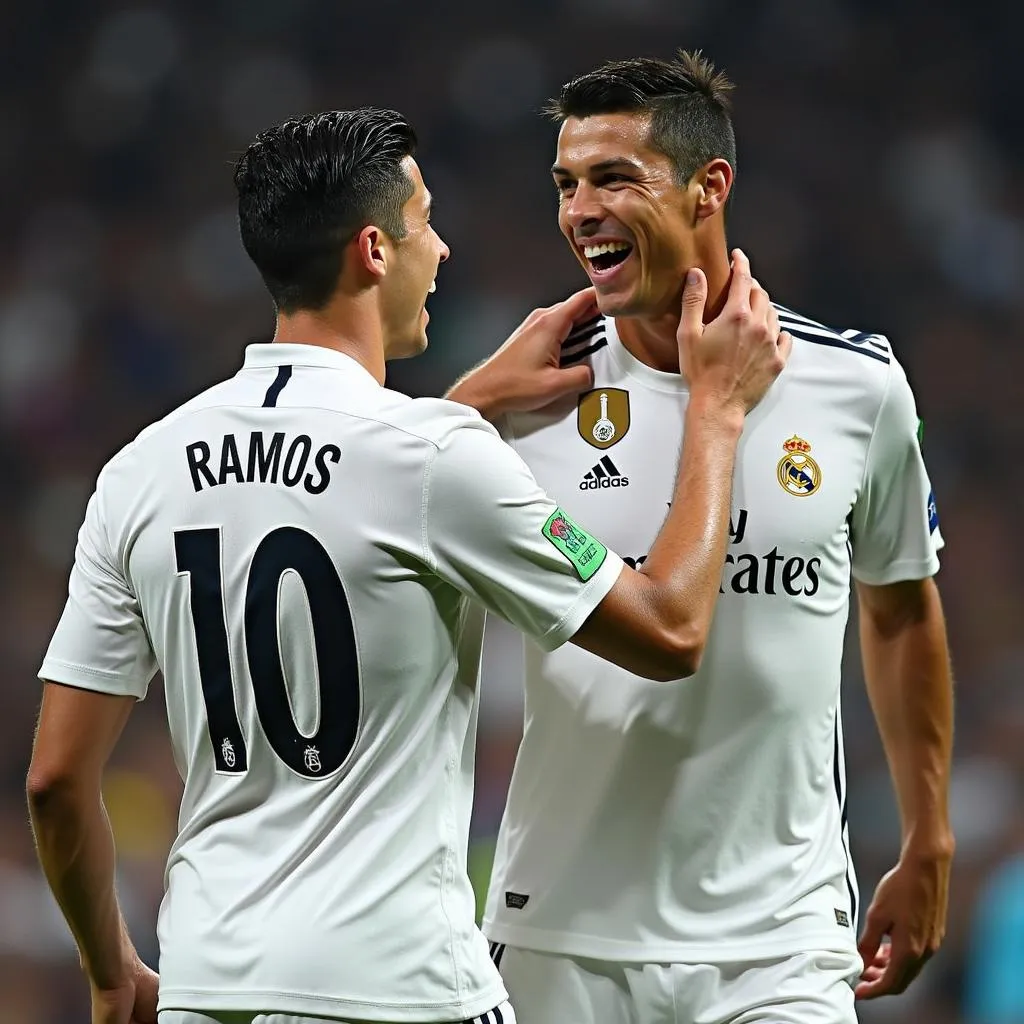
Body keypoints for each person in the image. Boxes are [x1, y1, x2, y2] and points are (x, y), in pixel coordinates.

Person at [26, 107, 788, 1024]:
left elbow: (57, 782)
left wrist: (113, 973)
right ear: (375, 251)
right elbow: (669, 629)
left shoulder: (140, 471)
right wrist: (716, 412)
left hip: (205, 986)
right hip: (397, 992)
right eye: (425, 222)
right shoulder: (434, 458)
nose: (444, 250)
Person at [448, 51, 955, 1024]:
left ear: (707, 187)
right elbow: (374, 547)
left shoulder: (856, 388)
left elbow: (897, 607)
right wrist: (463, 408)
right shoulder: (529, 397)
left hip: (780, 939)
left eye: (613, 178)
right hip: (561, 932)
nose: (579, 210)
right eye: (565, 184)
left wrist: (927, 832)